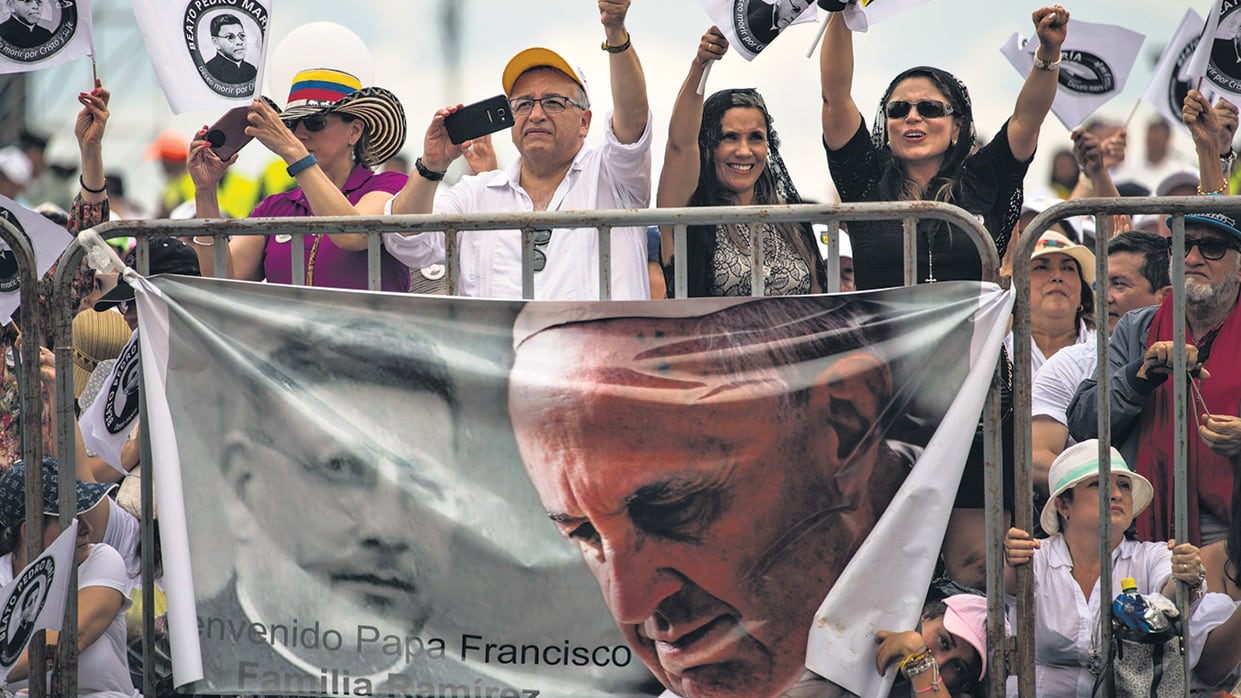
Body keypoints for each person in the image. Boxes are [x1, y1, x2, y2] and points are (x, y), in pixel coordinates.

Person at [509, 296, 925, 698]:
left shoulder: (977, 575)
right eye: (584, 534)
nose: (629, 603)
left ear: (844, 420)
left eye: (672, 508)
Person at [384, 0, 652, 300]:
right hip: (498, 348)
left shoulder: (612, 177)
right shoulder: (476, 194)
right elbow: (406, 240)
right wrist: (431, 165)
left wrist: (615, 32)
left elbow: (633, 118)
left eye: (553, 102)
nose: (536, 114)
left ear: (584, 122)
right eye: (523, 104)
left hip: (599, 347)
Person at [1068, 90, 1241, 546]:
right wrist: (1138, 376)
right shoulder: (1137, 329)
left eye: (1213, 248)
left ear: (1239, 264)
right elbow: (1084, 423)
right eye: (1182, 245)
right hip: (1150, 537)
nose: (1194, 257)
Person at [819, 4, 1067, 289]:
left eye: (930, 108)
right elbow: (835, 99)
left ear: (957, 128)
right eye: (898, 110)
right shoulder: (866, 179)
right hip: (884, 335)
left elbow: (1027, 120)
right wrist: (838, 10)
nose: (912, 117)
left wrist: (1048, 52)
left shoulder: (984, 178)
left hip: (972, 335)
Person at [1004, 440, 1241, 695]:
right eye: (1098, 484)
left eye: (1124, 485)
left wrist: (1187, 573)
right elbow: (1009, 585)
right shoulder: (1036, 556)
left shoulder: (1152, 556)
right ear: (1063, 505)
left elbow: (1172, 596)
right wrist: (1010, 558)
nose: (1116, 494)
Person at [188, 66, 412, 292]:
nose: (300, 134)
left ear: (354, 131)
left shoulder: (391, 186)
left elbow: (354, 234)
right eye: (293, 125)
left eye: (315, 122)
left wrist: (295, 153)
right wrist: (205, 190)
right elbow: (222, 277)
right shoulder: (275, 207)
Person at [656, 26, 825, 297]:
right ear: (708, 145)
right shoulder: (688, 213)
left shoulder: (792, 221)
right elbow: (679, 146)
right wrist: (700, 65)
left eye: (755, 137)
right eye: (730, 137)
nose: (744, 151)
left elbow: (819, 299)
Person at [1031, 231, 1170, 498]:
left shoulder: (1206, 352)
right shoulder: (1068, 364)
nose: (1104, 297)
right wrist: (1110, 490)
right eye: (1099, 285)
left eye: (1118, 284)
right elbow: (1035, 459)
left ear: (1165, 298)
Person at [0, 458, 136, 697]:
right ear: (29, 530)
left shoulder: (101, 560)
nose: (87, 529)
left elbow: (70, 638)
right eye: (71, 519)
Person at [1006, 229, 1095, 375]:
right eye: (1041, 267)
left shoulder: (1104, 346)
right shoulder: (999, 345)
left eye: (1068, 268)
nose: (1057, 276)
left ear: (1082, 291)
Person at [874, 594, 997, 697]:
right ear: (926, 615)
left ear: (963, 685)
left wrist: (917, 655)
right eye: (943, 642)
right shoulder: (868, 632)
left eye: (957, 667)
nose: (937, 663)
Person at [203, 13, 256, 84]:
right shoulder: (209, 70)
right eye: (230, 37)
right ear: (216, 42)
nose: (239, 42)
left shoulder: (251, 69)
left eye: (241, 35)